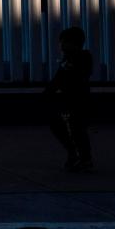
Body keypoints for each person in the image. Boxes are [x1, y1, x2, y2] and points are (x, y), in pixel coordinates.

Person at [44, 26, 94, 172]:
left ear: (73, 43)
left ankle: (84, 157)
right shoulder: (67, 60)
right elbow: (57, 80)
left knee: (77, 128)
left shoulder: (83, 57)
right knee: (62, 125)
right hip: (68, 100)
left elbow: (79, 76)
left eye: (63, 42)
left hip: (80, 100)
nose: (60, 45)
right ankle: (75, 154)